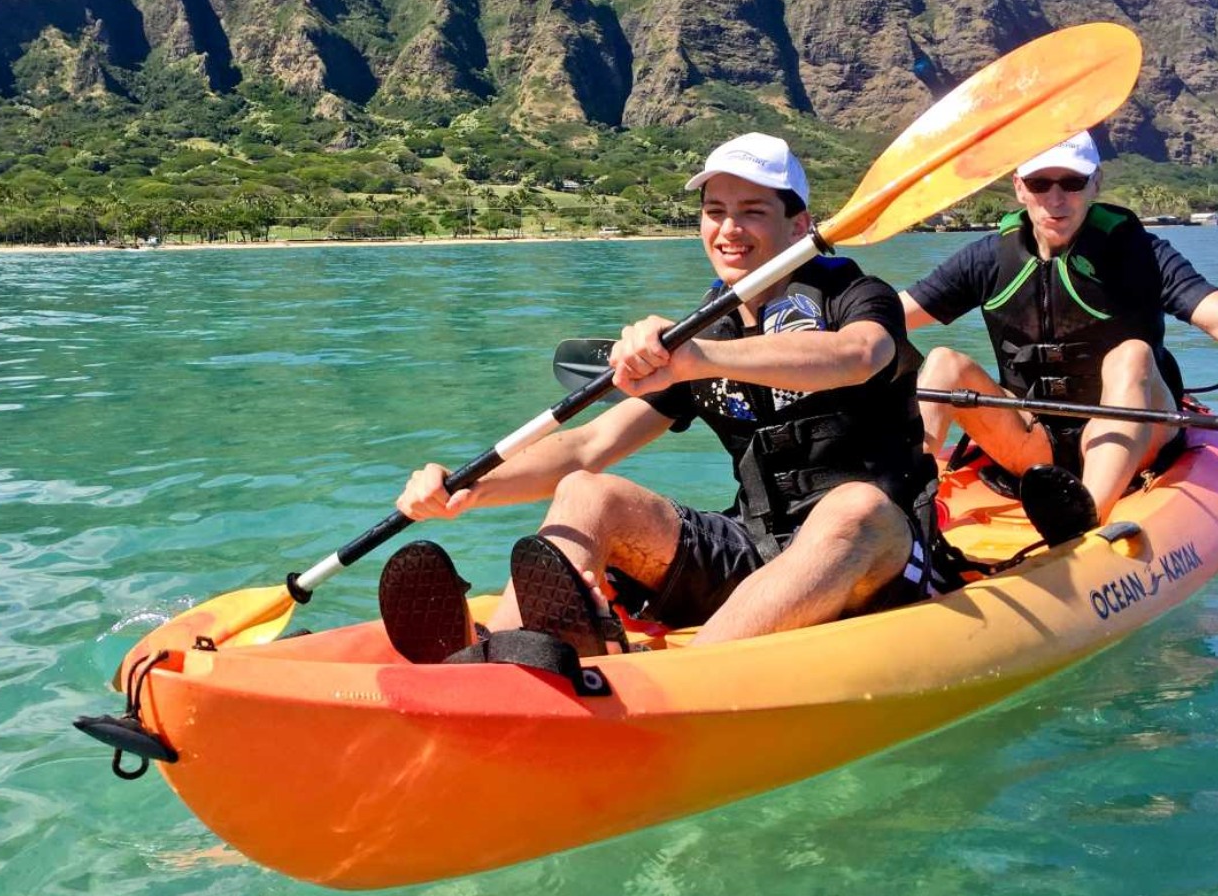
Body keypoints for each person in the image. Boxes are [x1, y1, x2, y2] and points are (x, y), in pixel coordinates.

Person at [380, 132, 940, 663]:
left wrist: (697, 360)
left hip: (880, 551)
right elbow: (589, 445)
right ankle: (505, 657)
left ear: (799, 226)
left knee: (854, 507)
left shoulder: (856, 295)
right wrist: (467, 488)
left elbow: (859, 355)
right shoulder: (708, 327)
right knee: (586, 492)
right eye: (715, 210)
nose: (728, 228)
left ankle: (682, 684)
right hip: (757, 550)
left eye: (752, 211)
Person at [900, 129, 1218, 539]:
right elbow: (886, 318)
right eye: (1039, 184)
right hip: (1034, 440)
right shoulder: (988, 258)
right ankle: (905, 519)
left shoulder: (1139, 253)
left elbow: (1211, 312)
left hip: (1139, 437)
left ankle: (1082, 523)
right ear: (1019, 188)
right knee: (943, 363)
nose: (1055, 199)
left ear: (1095, 184)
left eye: (1072, 182)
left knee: (1132, 354)